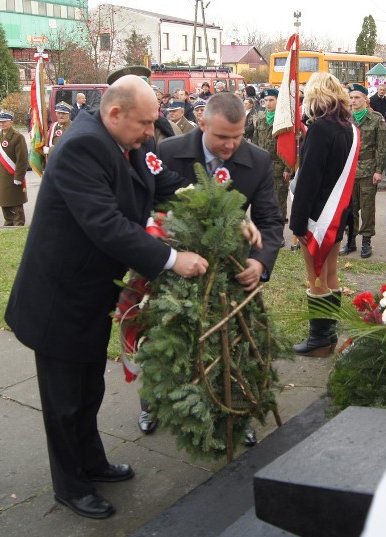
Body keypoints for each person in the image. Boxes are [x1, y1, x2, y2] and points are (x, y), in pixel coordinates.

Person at [5, 75, 210, 520]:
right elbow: (106, 225)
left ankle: (92, 462)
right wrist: (174, 259)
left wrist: (212, 204)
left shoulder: (128, 142)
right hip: (58, 299)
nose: (150, 134)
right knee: (64, 400)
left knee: (88, 388)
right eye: (143, 123)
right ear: (114, 113)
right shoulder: (81, 148)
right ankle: (71, 485)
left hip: (91, 294)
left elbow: (165, 183)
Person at [153, 92, 284, 441]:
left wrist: (259, 261)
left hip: (230, 270)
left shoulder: (257, 160)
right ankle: (156, 403)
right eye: (222, 137)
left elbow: (271, 221)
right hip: (176, 264)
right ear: (203, 123)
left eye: (237, 136)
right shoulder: (168, 153)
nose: (230, 145)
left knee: (231, 342)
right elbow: (154, 207)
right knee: (168, 339)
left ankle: (233, 410)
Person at [290, 72, 358, 356]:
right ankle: (329, 334)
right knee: (330, 273)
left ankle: (319, 339)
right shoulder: (349, 128)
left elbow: (309, 179)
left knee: (315, 275)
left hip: (317, 215)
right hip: (337, 212)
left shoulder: (320, 129)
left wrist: (296, 222)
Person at [341, 83, 386, 258]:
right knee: (349, 207)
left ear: (365, 99)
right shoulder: (346, 119)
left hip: (368, 169)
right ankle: (351, 241)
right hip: (350, 169)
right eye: (351, 98)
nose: (353, 101)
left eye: (357, 98)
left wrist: (379, 170)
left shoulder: (376, 118)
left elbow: (383, 147)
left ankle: (366, 241)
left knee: (367, 207)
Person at [252, 88, 293, 223]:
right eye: (265, 101)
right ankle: (266, 231)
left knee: (279, 202)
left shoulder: (284, 121)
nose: (268, 103)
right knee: (263, 201)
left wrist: (288, 169)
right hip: (263, 167)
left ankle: (278, 233)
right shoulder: (261, 119)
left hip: (279, 168)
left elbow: (290, 146)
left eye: (271, 100)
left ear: (278, 101)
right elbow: (255, 143)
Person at [0, 110, 29, 226]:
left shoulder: (18, 137)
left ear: (11, 122)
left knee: (15, 200)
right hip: (1, 173)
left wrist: (19, 177)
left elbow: (21, 159)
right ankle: (8, 220)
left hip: (12, 173)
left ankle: (18, 221)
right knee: (3, 199)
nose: (2, 124)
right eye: (0, 122)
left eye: (5, 122)